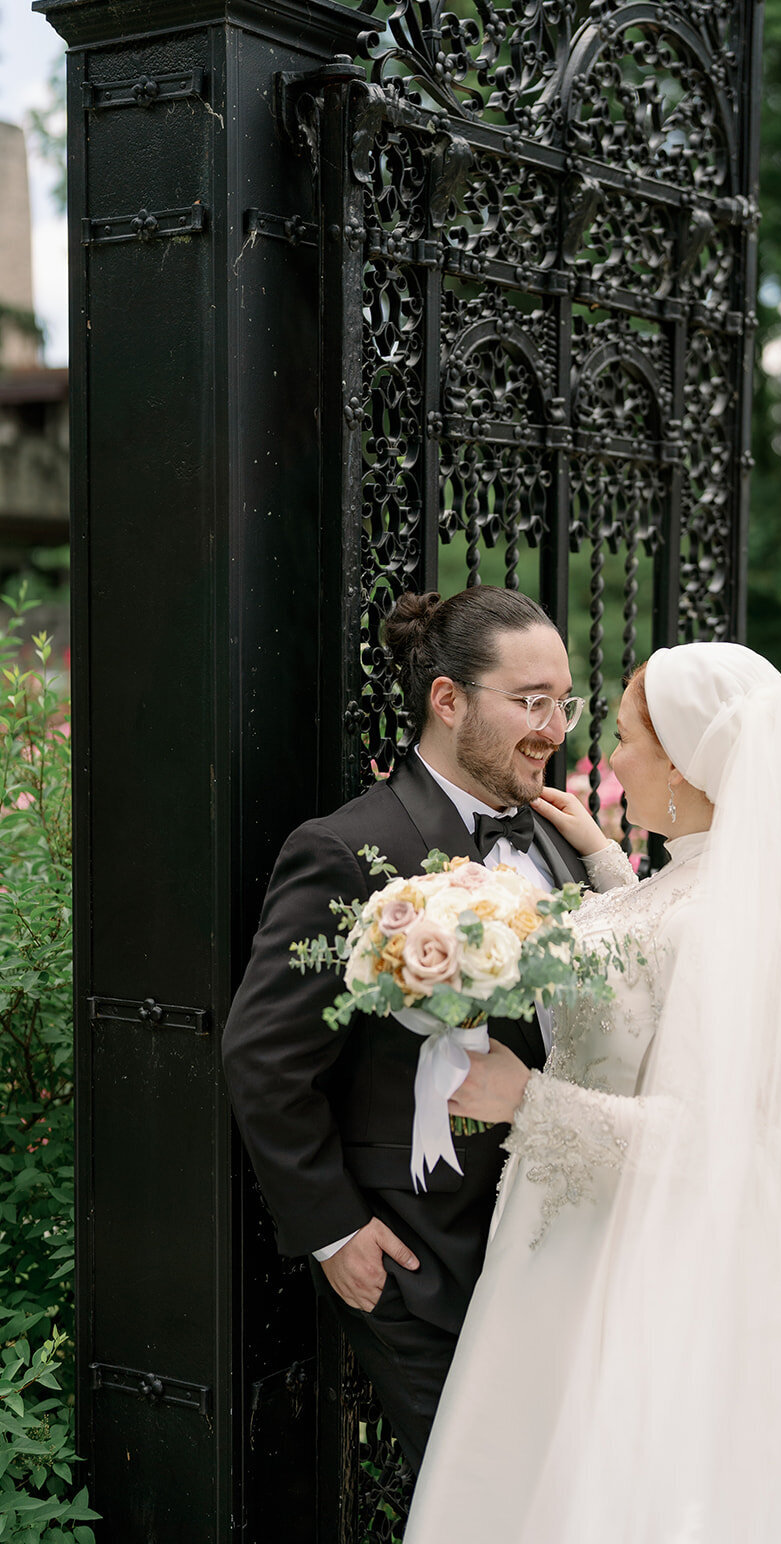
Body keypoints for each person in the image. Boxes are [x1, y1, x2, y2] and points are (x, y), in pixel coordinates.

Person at [405, 642, 781, 1543]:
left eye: (627, 737)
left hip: (638, 1252)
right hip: (582, 1229)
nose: (608, 760)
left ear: (682, 764)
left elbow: (715, 1141)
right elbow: (654, 973)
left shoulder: (720, 915)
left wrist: (528, 1100)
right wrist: (604, 866)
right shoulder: (696, 879)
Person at [221, 585, 592, 1473]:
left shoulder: (557, 836)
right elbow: (264, 1056)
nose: (554, 727)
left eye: (564, 702)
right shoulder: (346, 849)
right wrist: (336, 1230)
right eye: (531, 701)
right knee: (479, 1493)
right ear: (448, 699)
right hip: (421, 1257)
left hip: (561, 1236)